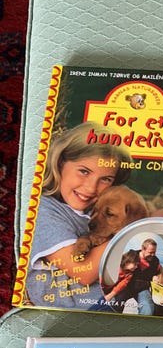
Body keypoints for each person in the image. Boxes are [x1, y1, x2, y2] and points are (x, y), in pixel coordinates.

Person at [25, 122, 132, 309]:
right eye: (84, 171)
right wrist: (136, 229)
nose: (91, 188)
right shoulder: (42, 209)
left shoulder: (99, 207)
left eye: (105, 179)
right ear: (60, 163)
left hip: (114, 297)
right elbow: (83, 272)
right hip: (77, 306)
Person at [122, 238, 162, 315]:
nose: (153, 255)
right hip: (125, 287)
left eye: (154, 252)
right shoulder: (131, 256)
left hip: (142, 289)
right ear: (143, 249)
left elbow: (157, 273)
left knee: (147, 307)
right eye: (150, 252)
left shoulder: (155, 261)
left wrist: (155, 277)